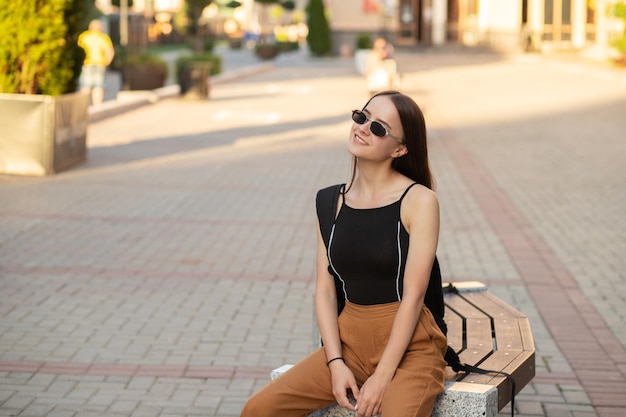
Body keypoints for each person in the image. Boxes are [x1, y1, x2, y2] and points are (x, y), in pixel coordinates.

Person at [240, 90, 447, 417]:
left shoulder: (418, 201)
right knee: (258, 409)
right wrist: (335, 362)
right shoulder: (329, 201)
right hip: (348, 343)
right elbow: (324, 290)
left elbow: (414, 295)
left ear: (400, 148)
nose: (363, 128)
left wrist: (381, 377)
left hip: (411, 349)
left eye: (378, 128)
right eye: (361, 117)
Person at [77, 19, 114, 106]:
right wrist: (107, 63)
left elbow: (78, 50)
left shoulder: (84, 36)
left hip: (86, 63)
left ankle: (84, 106)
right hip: (99, 64)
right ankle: (97, 106)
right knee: (98, 86)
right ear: (100, 28)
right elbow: (110, 52)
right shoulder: (103, 37)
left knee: (85, 86)